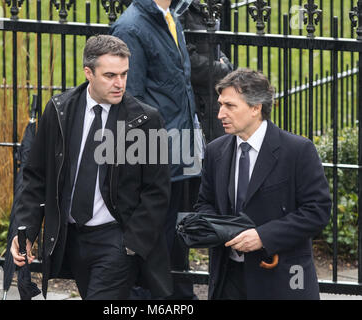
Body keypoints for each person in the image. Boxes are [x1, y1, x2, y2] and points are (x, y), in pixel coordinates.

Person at [10, 35, 172, 300]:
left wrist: (131, 244)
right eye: (110, 75)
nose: (119, 83)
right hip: (71, 238)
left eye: (124, 74)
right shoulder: (60, 110)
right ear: (88, 73)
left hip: (115, 241)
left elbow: (157, 190)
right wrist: (27, 230)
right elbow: (36, 176)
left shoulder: (145, 120)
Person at [195, 68, 331, 300]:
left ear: (256, 108)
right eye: (220, 105)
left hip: (280, 279)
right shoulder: (216, 151)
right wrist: (222, 229)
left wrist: (263, 237)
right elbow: (204, 205)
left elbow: (317, 211)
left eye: (230, 106)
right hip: (228, 278)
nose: (220, 114)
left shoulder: (297, 151)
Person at [110, 0, 201, 300]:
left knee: (176, 238)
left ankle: (179, 295)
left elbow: (179, 87)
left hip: (181, 151)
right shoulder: (131, 26)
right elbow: (129, 101)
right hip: (155, 156)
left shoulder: (170, 17)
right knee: (154, 242)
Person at [179, 0, 233, 143]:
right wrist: (222, 69)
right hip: (198, 101)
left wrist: (224, 62)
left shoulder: (203, 7)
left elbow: (214, 46)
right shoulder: (180, 11)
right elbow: (185, 59)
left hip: (213, 95)